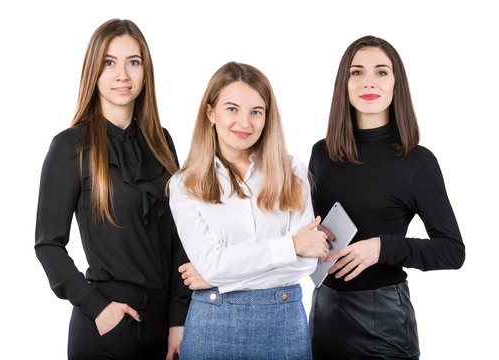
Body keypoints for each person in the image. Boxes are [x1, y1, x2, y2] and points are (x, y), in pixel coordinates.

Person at [35, 19, 190, 360]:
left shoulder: (162, 142)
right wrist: (96, 307)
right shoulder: (70, 146)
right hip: (105, 327)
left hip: (165, 326)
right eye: (109, 62)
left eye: (133, 62)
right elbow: (48, 244)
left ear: (145, 71)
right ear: (94, 71)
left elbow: (181, 238)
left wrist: (178, 319)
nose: (123, 74)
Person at [308, 35, 466, 359]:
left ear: (396, 84)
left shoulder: (417, 162)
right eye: (357, 72)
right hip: (322, 315)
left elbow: (453, 251)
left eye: (381, 72)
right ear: (344, 84)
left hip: (382, 322)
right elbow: (308, 230)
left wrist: (383, 247)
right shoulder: (321, 154)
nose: (369, 82)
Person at [168, 62, 330, 359]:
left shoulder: (291, 171)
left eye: (256, 111)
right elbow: (213, 265)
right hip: (211, 327)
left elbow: (306, 265)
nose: (245, 122)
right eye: (232, 109)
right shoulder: (184, 184)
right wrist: (291, 245)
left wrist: (222, 277)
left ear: (268, 118)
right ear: (210, 113)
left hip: (283, 325)